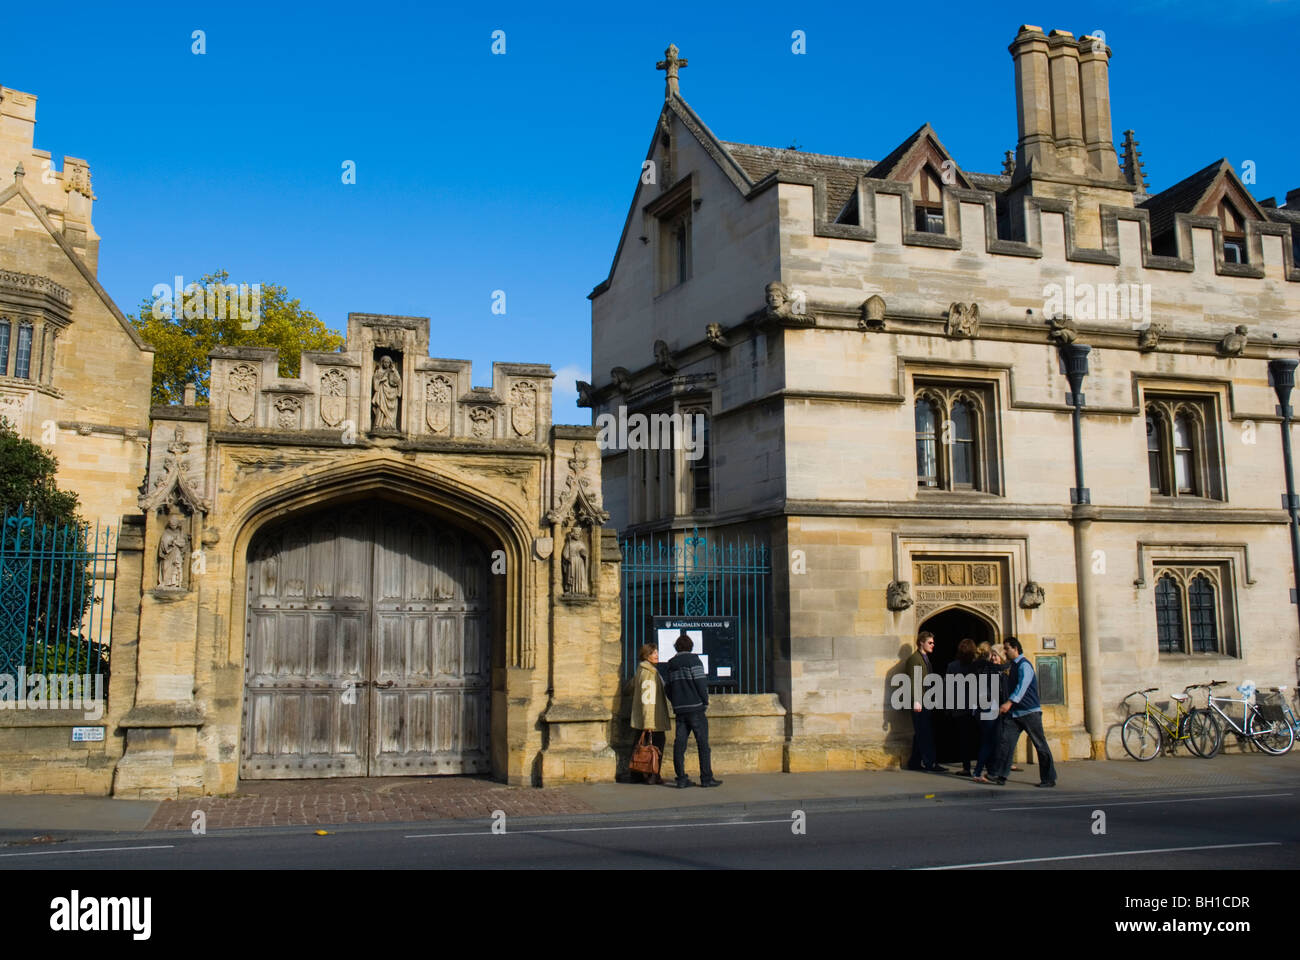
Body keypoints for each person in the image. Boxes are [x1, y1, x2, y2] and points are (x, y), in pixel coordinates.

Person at [992, 637, 1057, 787]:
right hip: (1015, 713)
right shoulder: (1013, 666)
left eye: (1007, 648)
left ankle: (1048, 778)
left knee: (1040, 745)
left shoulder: (1024, 665)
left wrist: (1009, 702)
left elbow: (1022, 687)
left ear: (1015, 648)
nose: (1005, 652)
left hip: (1029, 712)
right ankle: (1000, 775)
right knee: (1006, 743)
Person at [665, 631, 722, 788]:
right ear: (690, 647)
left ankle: (681, 778)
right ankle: (706, 778)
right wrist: (705, 701)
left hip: (680, 710)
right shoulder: (694, 660)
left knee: (680, 744)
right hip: (696, 708)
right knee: (703, 744)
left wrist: (675, 702)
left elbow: (668, 688)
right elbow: (700, 683)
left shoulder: (670, 664)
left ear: (677, 647)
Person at [904, 631, 947, 773]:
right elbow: (913, 681)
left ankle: (914, 762)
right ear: (921, 642)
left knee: (921, 733)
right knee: (925, 733)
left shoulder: (924, 658)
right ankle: (930, 763)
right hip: (920, 702)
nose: (933, 645)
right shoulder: (914, 659)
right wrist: (916, 701)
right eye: (930, 642)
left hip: (926, 700)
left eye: (933, 642)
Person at [630, 642, 668, 785]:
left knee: (639, 745)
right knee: (656, 746)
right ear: (646, 655)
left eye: (657, 652)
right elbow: (648, 700)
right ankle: (653, 774)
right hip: (652, 719)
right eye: (653, 653)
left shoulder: (641, 670)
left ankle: (637, 775)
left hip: (644, 718)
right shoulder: (649, 673)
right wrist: (649, 723)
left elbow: (632, 685)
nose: (656, 655)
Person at [971, 642, 1005, 783]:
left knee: (989, 740)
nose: (993, 658)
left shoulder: (984, 668)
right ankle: (979, 771)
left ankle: (989, 770)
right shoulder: (988, 668)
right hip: (989, 707)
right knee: (990, 741)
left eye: (995, 655)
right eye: (992, 654)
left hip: (984, 707)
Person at [945, 637, 980, 776]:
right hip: (976, 708)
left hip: (960, 708)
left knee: (964, 739)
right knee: (979, 737)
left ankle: (966, 767)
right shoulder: (977, 665)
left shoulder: (953, 666)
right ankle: (982, 766)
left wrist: (948, 708)